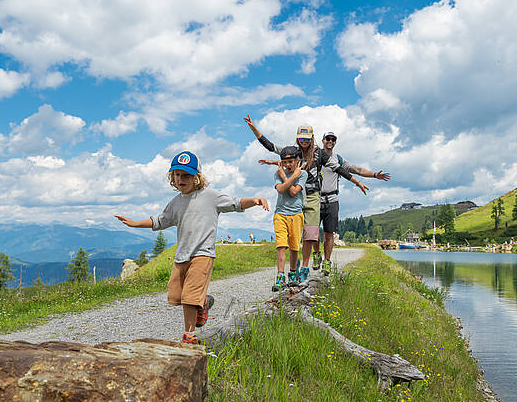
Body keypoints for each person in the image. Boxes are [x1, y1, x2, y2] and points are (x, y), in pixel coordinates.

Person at [115, 150, 269, 344]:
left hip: (203, 254)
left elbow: (235, 203)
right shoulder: (176, 202)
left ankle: (189, 335)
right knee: (175, 296)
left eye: (186, 175)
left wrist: (255, 201)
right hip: (182, 256)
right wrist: (134, 223)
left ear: (197, 177)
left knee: (188, 298)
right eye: (177, 175)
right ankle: (202, 302)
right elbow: (160, 221)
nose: (181, 179)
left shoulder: (210, 196)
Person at [244, 115, 368, 280]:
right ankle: (292, 269)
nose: (304, 141)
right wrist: (254, 128)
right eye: (301, 138)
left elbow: (338, 169)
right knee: (294, 236)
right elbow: (269, 146)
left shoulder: (319, 154)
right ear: (297, 138)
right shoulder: (291, 151)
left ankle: (304, 267)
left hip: (313, 195)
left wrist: (357, 182)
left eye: (307, 138)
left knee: (310, 233)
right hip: (295, 196)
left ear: (312, 138)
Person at [313, 131, 391, 271]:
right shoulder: (316, 156)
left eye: (333, 139)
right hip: (315, 198)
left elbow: (357, 170)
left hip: (332, 199)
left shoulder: (339, 159)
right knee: (313, 233)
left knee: (329, 233)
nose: (330, 141)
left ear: (335, 142)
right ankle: (317, 254)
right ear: (323, 140)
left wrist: (374, 175)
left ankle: (327, 261)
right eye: (328, 139)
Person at [271, 146, 307, 291]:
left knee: (294, 246)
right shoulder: (278, 173)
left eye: (291, 162)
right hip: (280, 213)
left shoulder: (303, 174)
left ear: (297, 160)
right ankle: (280, 276)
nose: (287, 165)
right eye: (284, 162)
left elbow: (293, 192)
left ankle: (292, 273)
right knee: (281, 245)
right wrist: (290, 176)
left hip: (296, 214)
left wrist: (286, 177)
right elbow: (280, 189)